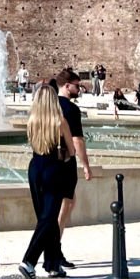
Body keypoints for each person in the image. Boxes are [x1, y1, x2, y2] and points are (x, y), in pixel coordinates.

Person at [17, 83, 74, 279]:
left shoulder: (32, 121)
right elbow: (71, 151)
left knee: (44, 216)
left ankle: (52, 264)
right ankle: (29, 261)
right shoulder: (60, 122)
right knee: (48, 219)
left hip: (35, 168)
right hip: (53, 169)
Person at [55, 69, 92, 266]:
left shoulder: (47, 105)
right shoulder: (70, 109)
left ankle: (53, 249)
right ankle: (54, 250)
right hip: (65, 161)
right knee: (66, 204)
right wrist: (86, 165)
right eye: (77, 86)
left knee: (61, 205)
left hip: (44, 161)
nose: (79, 89)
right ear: (67, 86)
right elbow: (77, 140)